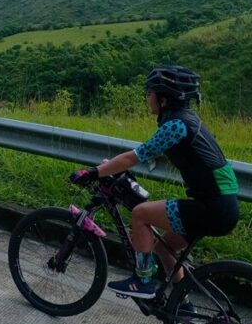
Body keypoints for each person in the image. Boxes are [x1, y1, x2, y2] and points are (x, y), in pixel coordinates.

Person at [69, 65, 239, 299]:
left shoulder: (175, 126)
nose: (147, 98)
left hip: (212, 208)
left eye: (149, 93)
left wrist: (94, 172)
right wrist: (112, 167)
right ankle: (183, 305)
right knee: (163, 248)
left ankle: (142, 281)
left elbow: (133, 157)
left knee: (140, 214)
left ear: (164, 99)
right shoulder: (189, 121)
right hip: (223, 207)